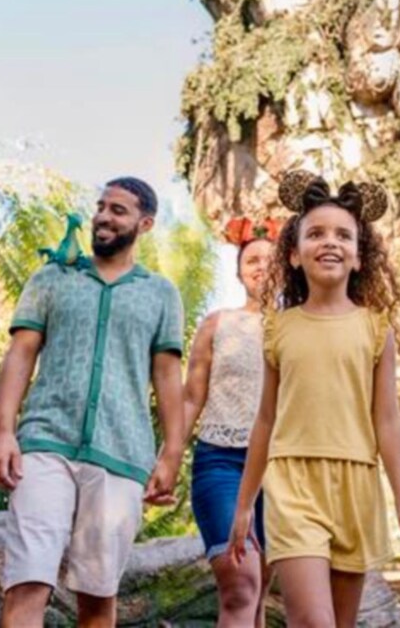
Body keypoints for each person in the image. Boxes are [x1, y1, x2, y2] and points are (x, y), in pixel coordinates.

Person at [226, 170, 400, 628]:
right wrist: (245, 504)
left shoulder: (375, 328)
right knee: (313, 621)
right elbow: (265, 419)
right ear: (293, 254)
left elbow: (387, 420)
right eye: (316, 234)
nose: (330, 242)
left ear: (359, 257)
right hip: (293, 482)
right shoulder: (278, 328)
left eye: (343, 235)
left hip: (356, 485)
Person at [0, 177, 186, 628]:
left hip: (122, 454)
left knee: (97, 599)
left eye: (118, 210)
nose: (103, 217)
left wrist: (171, 453)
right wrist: (3, 432)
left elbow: (167, 375)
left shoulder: (161, 294)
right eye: (101, 206)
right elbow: (20, 353)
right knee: (27, 581)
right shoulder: (52, 277)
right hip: (44, 443)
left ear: (145, 223)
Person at [181, 216, 282, 627]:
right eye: (251, 260)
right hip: (221, 462)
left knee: (259, 594)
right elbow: (191, 397)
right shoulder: (217, 323)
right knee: (240, 586)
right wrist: (168, 458)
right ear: (239, 272)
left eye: (269, 259)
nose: (260, 267)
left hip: (282, 468)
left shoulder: (300, 327)